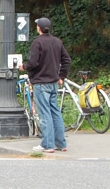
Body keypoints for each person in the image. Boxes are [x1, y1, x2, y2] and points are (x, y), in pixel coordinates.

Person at [19, 17, 71, 153]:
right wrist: (61, 76)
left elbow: (33, 63)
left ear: (39, 28)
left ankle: (47, 144)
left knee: (44, 113)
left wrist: (24, 66)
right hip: (54, 83)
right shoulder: (57, 42)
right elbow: (66, 60)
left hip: (41, 83)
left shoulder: (37, 43)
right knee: (55, 112)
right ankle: (61, 143)